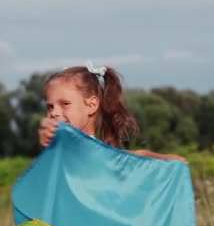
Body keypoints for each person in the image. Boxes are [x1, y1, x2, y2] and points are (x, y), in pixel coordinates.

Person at [38, 62, 188, 164]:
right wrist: (47, 130)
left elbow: (132, 157)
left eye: (65, 104)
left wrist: (167, 160)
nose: (54, 113)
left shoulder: (93, 151)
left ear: (91, 105)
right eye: (50, 107)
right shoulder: (63, 146)